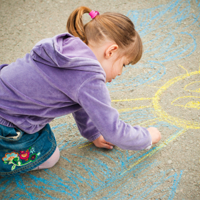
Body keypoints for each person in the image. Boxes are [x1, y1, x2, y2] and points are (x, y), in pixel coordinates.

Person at [0, 6, 161, 177]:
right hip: (6, 123)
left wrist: (92, 133)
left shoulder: (67, 48)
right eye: (123, 64)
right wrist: (147, 137)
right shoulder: (90, 77)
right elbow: (114, 131)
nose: (120, 72)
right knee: (50, 157)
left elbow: (80, 100)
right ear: (111, 51)